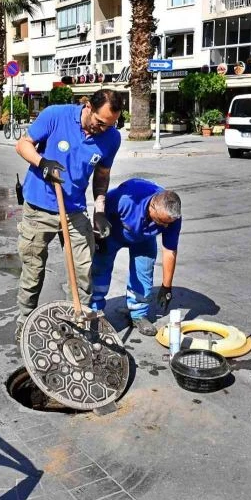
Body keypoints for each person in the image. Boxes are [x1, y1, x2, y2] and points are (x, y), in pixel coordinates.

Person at [15, 88, 123, 339]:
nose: (103, 129)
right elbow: (22, 145)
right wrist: (42, 163)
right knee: (33, 269)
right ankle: (24, 320)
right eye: (100, 122)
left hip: (74, 209)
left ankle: (78, 320)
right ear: (88, 107)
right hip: (39, 207)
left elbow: (102, 175)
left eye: (110, 125)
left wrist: (99, 210)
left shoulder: (111, 138)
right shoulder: (56, 115)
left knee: (83, 269)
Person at [90, 179, 182, 336]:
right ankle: (95, 312)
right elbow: (100, 208)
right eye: (161, 221)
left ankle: (138, 314)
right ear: (152, 206)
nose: (165, 226)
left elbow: (169, 251)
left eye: (168, 223)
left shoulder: (172, 217)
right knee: (100, 269)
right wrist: (98, 237)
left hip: (144, 238)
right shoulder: (126, 198)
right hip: (113, 232)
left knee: (144, 272)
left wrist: (167, 286)